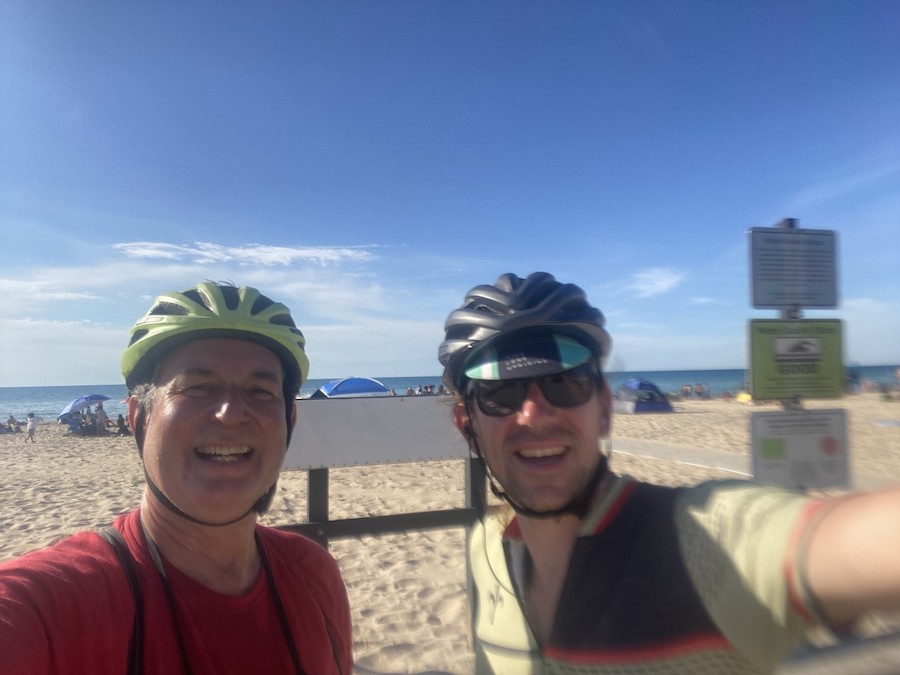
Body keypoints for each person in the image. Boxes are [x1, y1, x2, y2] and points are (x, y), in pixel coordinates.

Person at [438, 271, 900, 675]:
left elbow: (842, 543)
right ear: (467, 427)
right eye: (500, 393)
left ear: (604, 409)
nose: (534, 414)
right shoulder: (486, 549)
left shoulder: (702, 545)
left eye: (564, 382)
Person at [0, 282, 353, 674]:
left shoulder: (313, 573)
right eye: (198, 387)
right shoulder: (56, 604)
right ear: (138, 417)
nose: (231, 413)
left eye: (260, 390)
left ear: (289, 420)